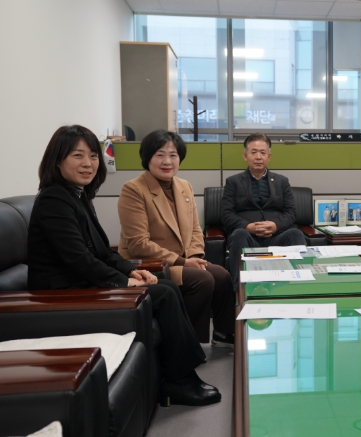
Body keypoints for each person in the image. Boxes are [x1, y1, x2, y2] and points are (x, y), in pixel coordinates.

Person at [27, 125, 221, 406]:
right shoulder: (54, 199)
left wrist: (130, 269)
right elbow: (79, 259)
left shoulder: (77, 196)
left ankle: (180, 373)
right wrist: (123, 282)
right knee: (165, 292)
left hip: (83, 281)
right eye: (78, 155)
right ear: (57, 160)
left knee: (165, 287)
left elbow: (103, 252)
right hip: (65, 293)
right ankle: (179, 381)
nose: (88, 163)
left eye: (93, 156)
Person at [117, 130, 235, 348]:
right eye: (160, 155)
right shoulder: (133, 190)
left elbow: (196, 230)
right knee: (202, 280)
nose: (167, 161)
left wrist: (196, 257)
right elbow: (138, 244)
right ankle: (187, 344)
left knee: (222, 275)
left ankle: (223, 333)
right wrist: (183, 262)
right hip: (149, 265)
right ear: (147, 157)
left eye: (173, 155)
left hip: (184, 260)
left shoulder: (184, 186)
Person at [221, 132, 306, 291]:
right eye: (253, 152)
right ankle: (240, 291)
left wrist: (275, 225)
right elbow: (226, 214)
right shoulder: (233, 182)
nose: (258, 157)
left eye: (262, 152)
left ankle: (297, 287)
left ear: (269, 156)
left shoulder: (282, 181)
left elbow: (291, 212)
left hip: (277, 237)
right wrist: (248, 227)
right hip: (248, 238)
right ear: (245, 156)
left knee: (296, 234)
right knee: (239, 234)